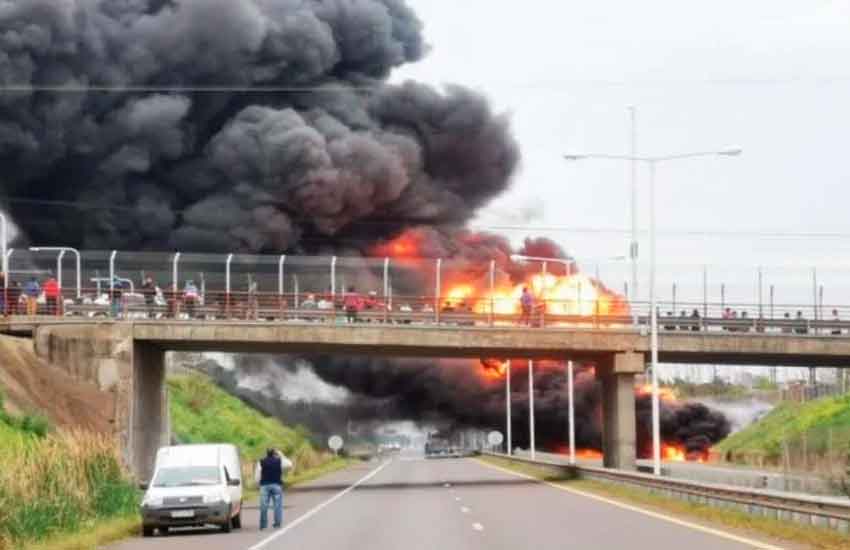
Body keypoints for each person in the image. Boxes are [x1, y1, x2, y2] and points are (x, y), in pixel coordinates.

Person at [255, 449, 294, 530]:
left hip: (264, 485)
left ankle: (263, 525)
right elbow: (289, 465)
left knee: (263, 506)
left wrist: (257, 484)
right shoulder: (279, 461)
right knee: (277, 506)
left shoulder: (261, 461)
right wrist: (281, 455)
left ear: (266, 454)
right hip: (276, 485)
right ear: (274, 454)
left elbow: (258, 474)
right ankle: (277, 523)